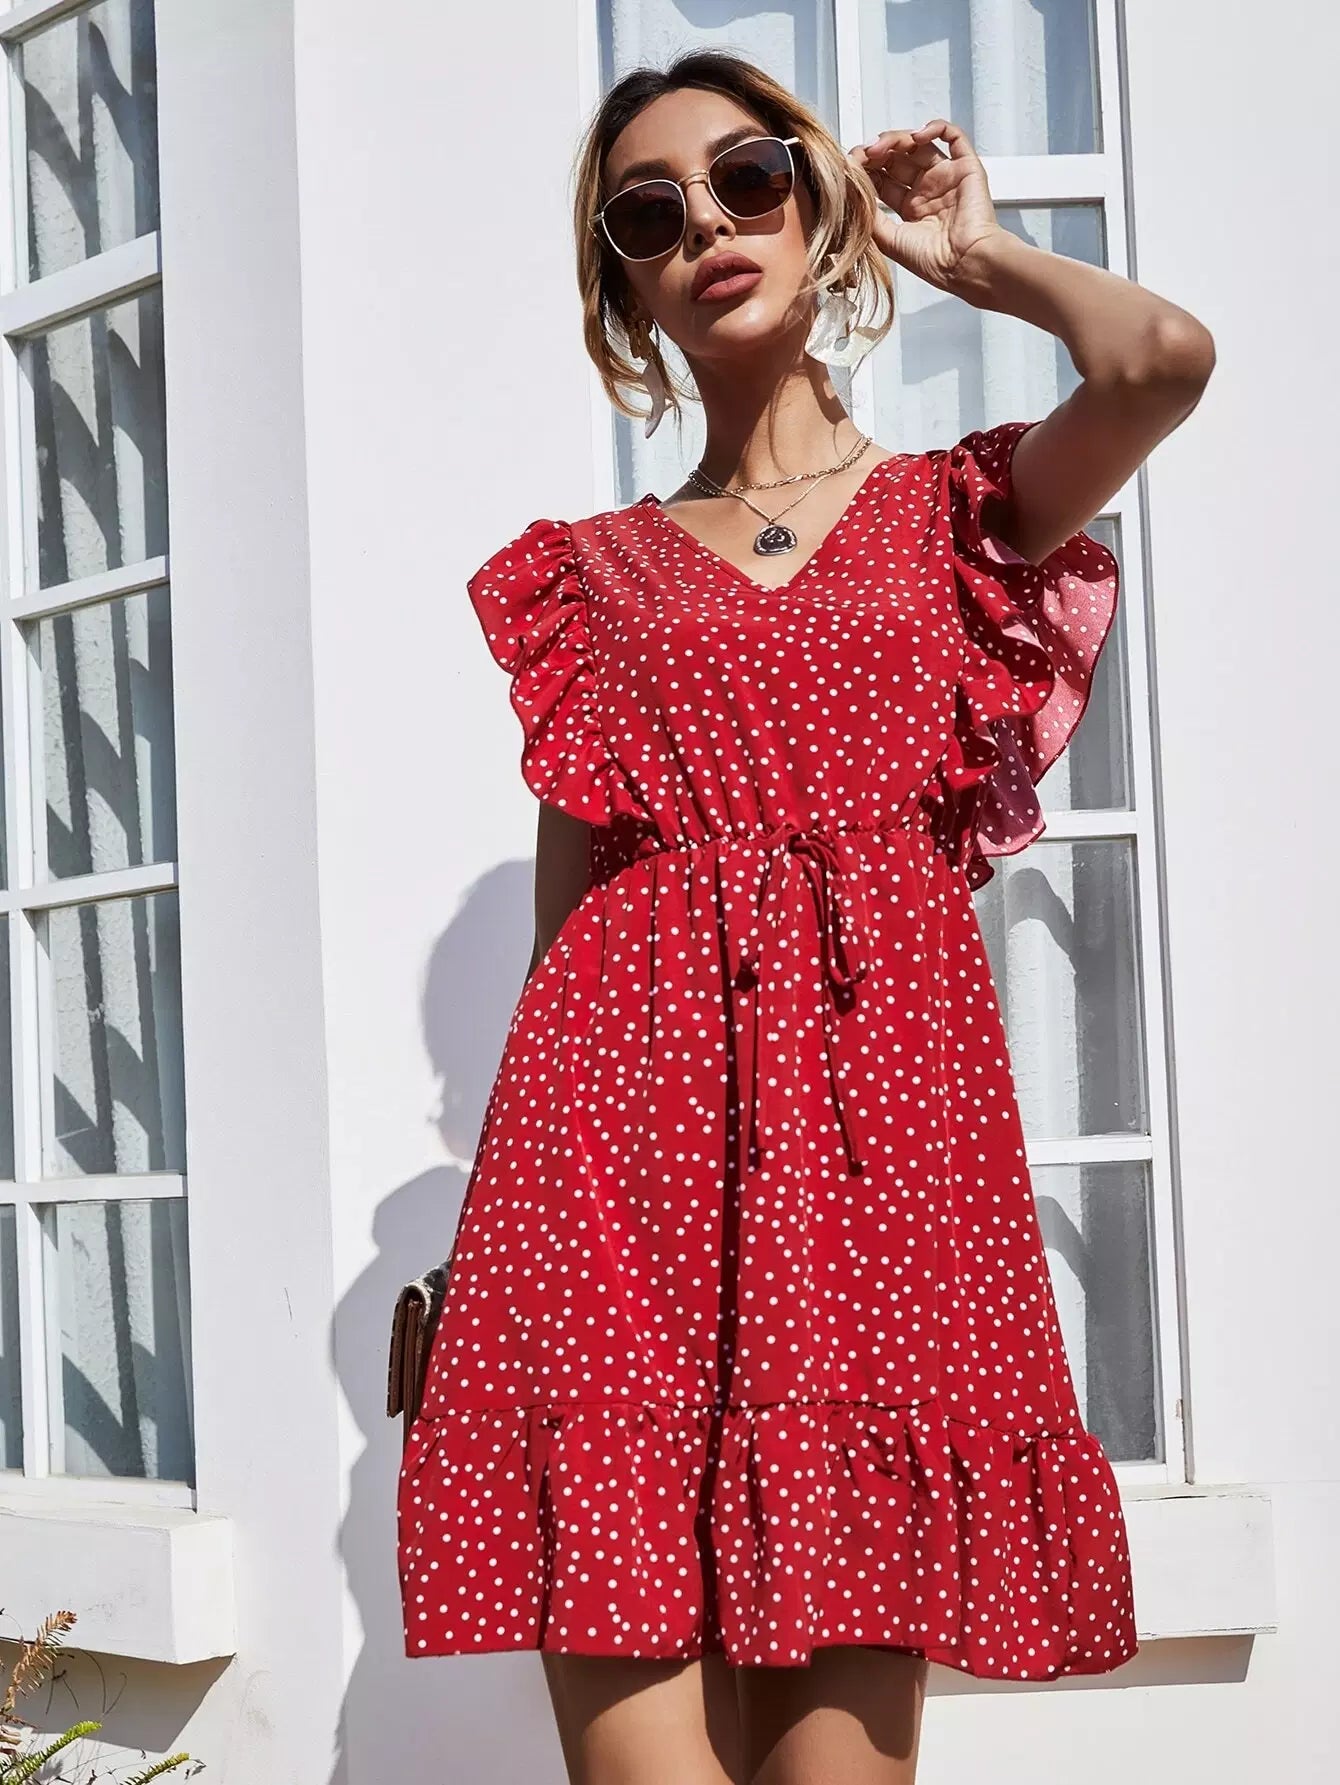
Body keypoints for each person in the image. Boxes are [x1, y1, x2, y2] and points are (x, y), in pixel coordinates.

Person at [397, 47, 1214, 1785]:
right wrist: (491, 1254)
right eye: (649, 213)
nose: (706, 223)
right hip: (611, 1198)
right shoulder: (587, 581)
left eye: (749, 177)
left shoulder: (957, 517)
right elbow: (562, 945)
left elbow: (1160, 361)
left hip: (877, 1201)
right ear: (622, 284)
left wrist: (974, 257)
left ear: (815, 202)